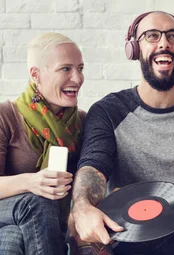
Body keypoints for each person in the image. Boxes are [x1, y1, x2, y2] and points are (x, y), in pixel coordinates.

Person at [69, 11, 174, 255]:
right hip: (123, 234)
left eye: (172, 36)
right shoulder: (108, 110)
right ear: (134, 48)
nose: (164, 43)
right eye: (152, 35)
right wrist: (81, 206)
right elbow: (94, 166)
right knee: (77, 220)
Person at [0, 32, 85, 255]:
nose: (77, 78)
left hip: (42, 226)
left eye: (80, 68)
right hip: (7, 209)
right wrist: (31, 182)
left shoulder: (84, 123)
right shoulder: (6, 116)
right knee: (37, 202)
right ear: (35, 74)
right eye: (66, 69)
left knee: (11, 239)